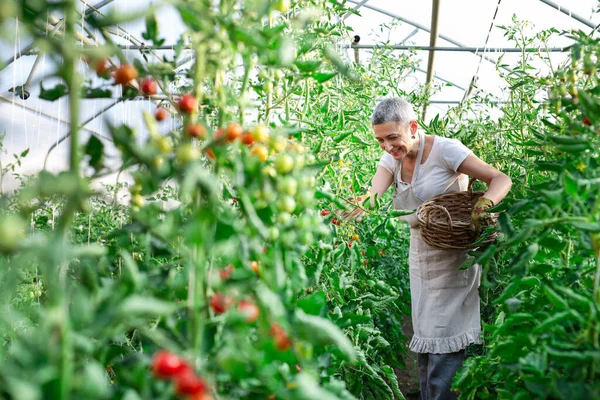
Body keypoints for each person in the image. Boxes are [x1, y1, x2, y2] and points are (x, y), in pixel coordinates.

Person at [342, 98, 512, 400]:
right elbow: (371, 197)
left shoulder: (447, 150)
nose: (387, 147)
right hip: (420, 255)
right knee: (425, 338)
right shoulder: (391, 159)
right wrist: (344, 211)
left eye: (393, 138)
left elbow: (500, 179)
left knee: (445, 338)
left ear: (413, 127)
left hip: (453, 258)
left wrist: (482, 207)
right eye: (380, 140)